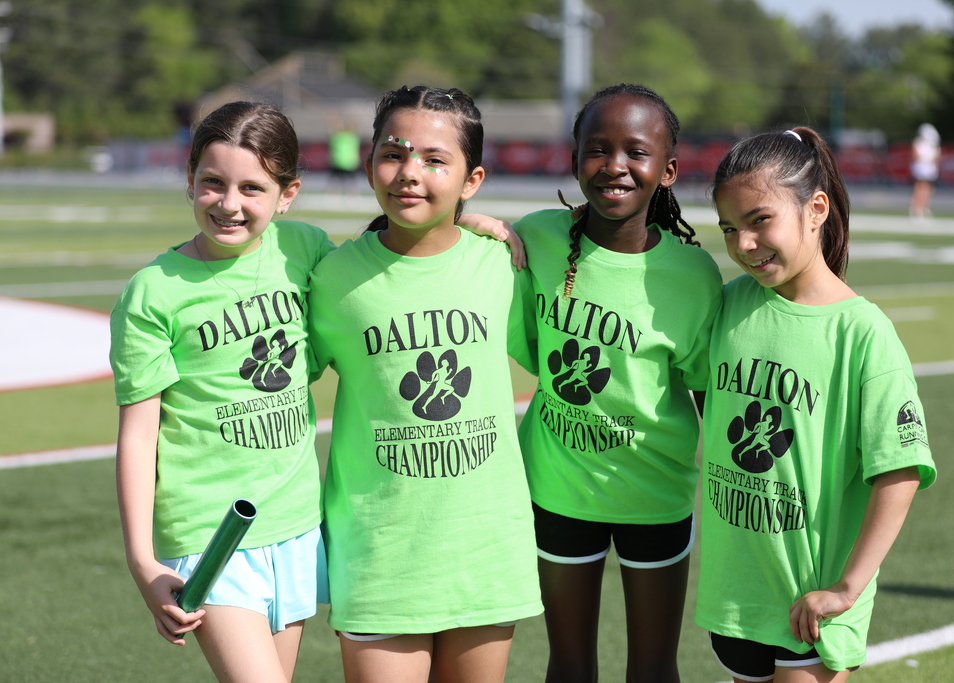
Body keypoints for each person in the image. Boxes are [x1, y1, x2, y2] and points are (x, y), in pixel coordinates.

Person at [307, 85, 542, 683]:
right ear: (369, 166)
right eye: (394, 154)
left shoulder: (503, 266)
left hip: (484, 549)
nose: (410, 172)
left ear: (473, 179)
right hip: (380, 553)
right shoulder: (333, 281)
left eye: (436, 160)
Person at [697, 127, 937, 682]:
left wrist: (846, 589)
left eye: (760, 220)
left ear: (815, 209)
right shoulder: (732, 302)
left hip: (813, 602)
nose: (744, 245)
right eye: (730, 229)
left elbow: (899, 470)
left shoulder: (864, 333)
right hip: (736, 596)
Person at [110, 101, 332, 683]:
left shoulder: (304, 250)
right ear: (189, 182)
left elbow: (382, 276)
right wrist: (141, 561)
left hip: (296, 524)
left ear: (288, 194)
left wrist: (467, 222)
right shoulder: (153, 293)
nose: (229, 204)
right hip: (212, 535)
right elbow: (138, 434)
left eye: (253, 188)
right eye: (213, 183)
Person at [513, 83, 723, 682]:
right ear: (574, 157)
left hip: (656, 495)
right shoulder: (537, 237)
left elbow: (709, 391)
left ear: (670, 169)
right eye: (597, 149)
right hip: (559, 489)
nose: (615, 166)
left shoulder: (692, 274)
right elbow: (529, 343)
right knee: (570, 665)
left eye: (636, 151)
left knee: (654, 669)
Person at [909, 123, 941, 219]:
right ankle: (916, 208)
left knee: (928, 189)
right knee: (920, 187)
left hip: (930, 169)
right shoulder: (918, 143)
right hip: (921, 168)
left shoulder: (933, 145)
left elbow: (938, 157)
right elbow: (916, 156)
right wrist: (927, 159)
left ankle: (924, 208)